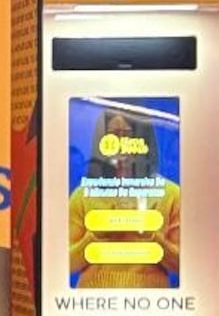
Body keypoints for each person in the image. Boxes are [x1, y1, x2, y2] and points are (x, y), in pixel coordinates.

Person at [68, 107, 180, 290]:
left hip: (152, 305)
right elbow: (67, 264)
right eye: (112, 135)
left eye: (127, 135)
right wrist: (94, 237)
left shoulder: (171, 194)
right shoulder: (83, 195)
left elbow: (182, 265)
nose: (120, 143)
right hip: (91, 304)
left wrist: (153, 238)